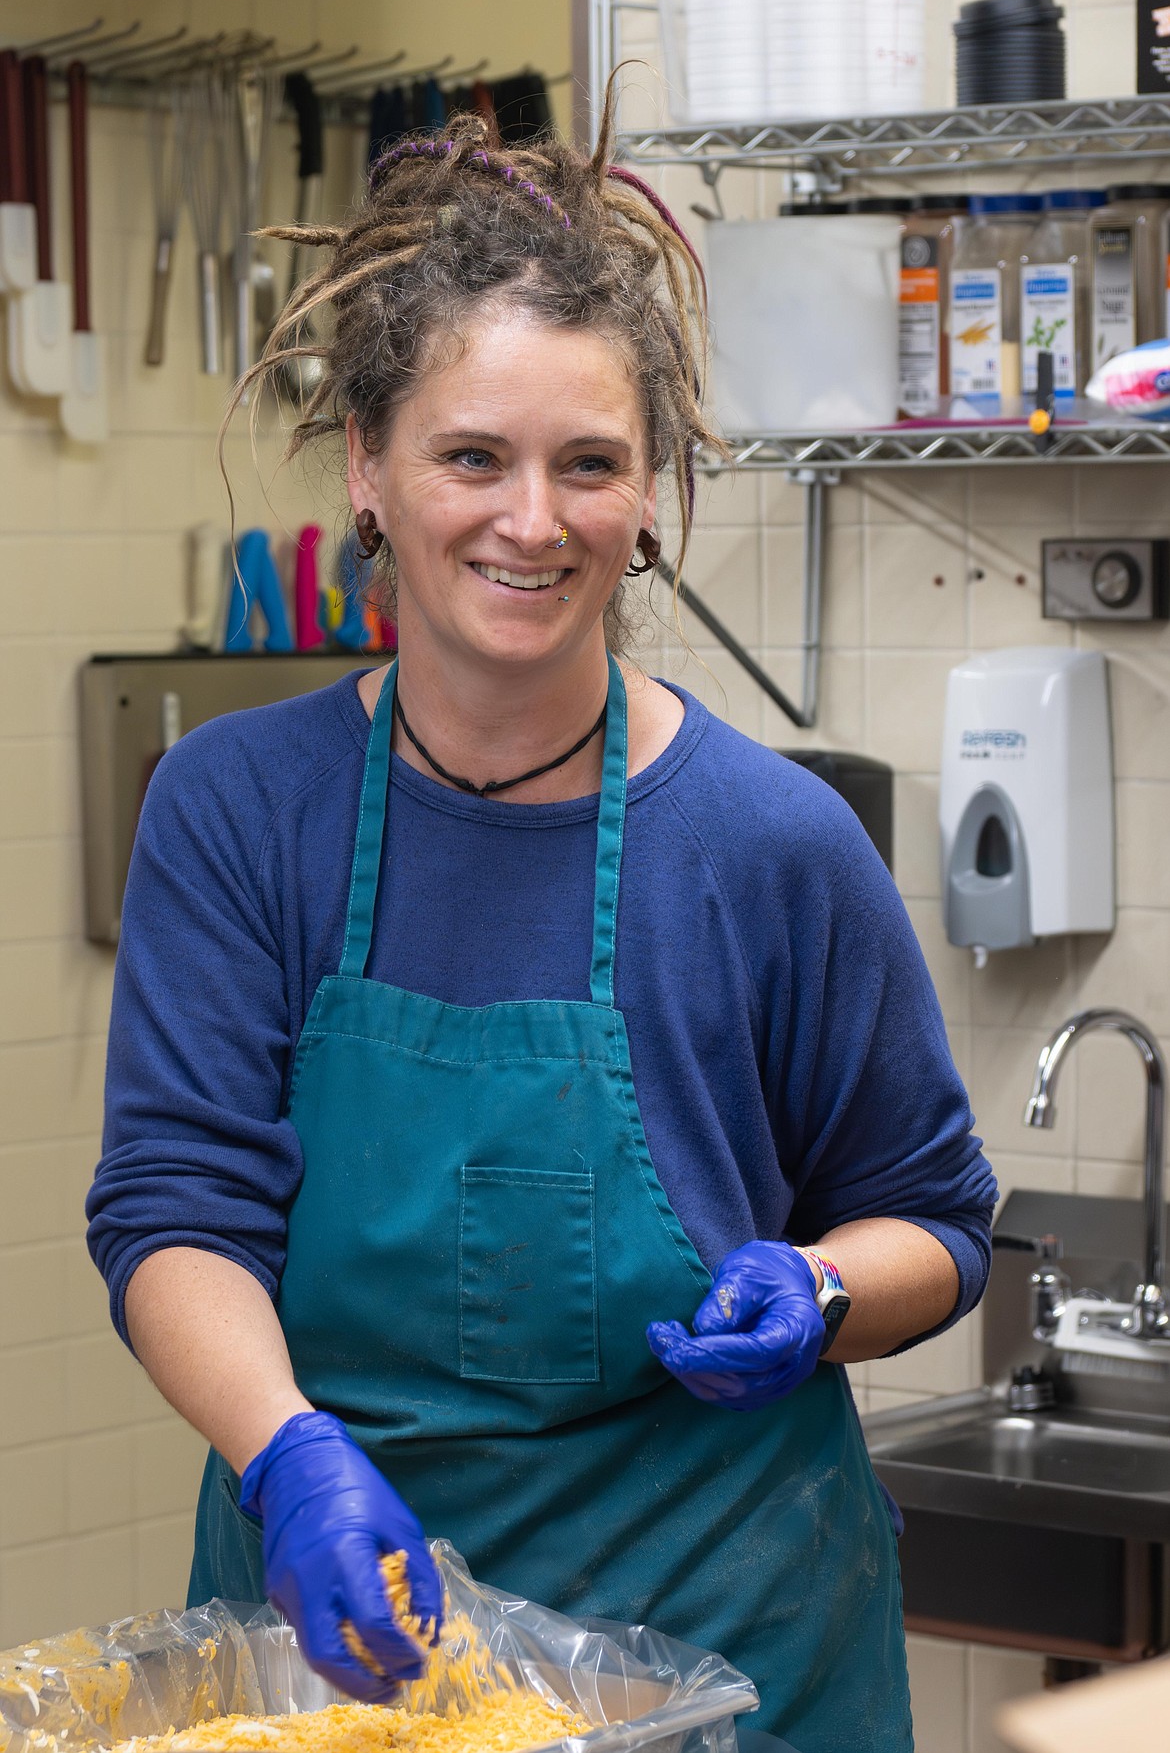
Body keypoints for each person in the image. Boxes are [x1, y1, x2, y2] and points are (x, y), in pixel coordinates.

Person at [87, 89, 996, 1753]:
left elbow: (933, 1220)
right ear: (367, 466)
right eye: (470, 457)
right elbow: (171, 1212)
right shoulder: (238, 811)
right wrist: (284, 1448)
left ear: (647, 495)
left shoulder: (770, 842)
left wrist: (814, 1285)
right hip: (332, 1651)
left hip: (720, 1656)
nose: (532, 518)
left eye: (590, 463)